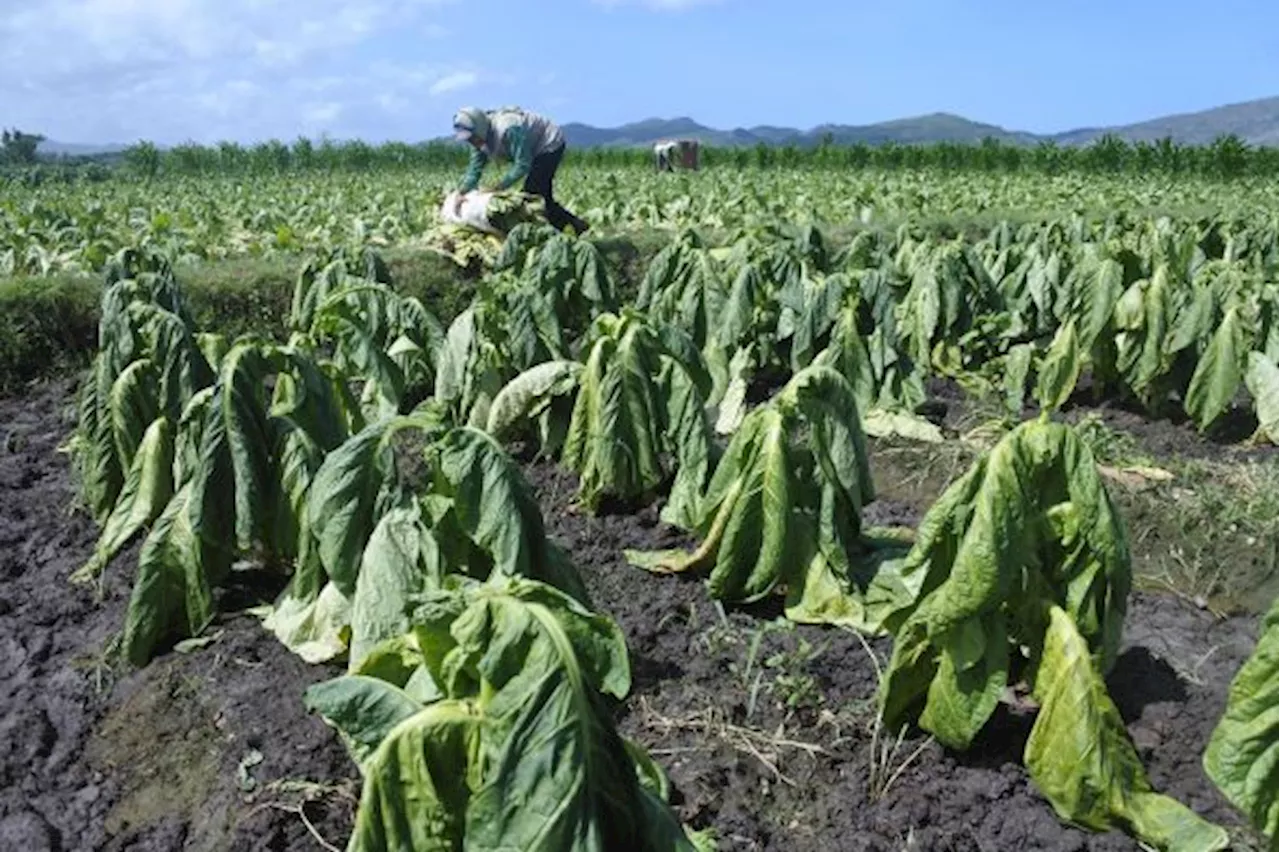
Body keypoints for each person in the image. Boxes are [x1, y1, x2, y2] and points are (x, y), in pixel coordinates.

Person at [450, 105, 588, 235]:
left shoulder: (509, 128)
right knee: (539, 198)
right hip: (532, 148)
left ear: (479, 128)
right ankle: (575, 228)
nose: (471, 142)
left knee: (534, 194)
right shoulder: (479, 140)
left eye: (472, 138)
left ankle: (574, 229)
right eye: (468, 139)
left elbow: (523, 163)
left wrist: (498, 187)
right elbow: (475, 169)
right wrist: (462, 192)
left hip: (548, 143)